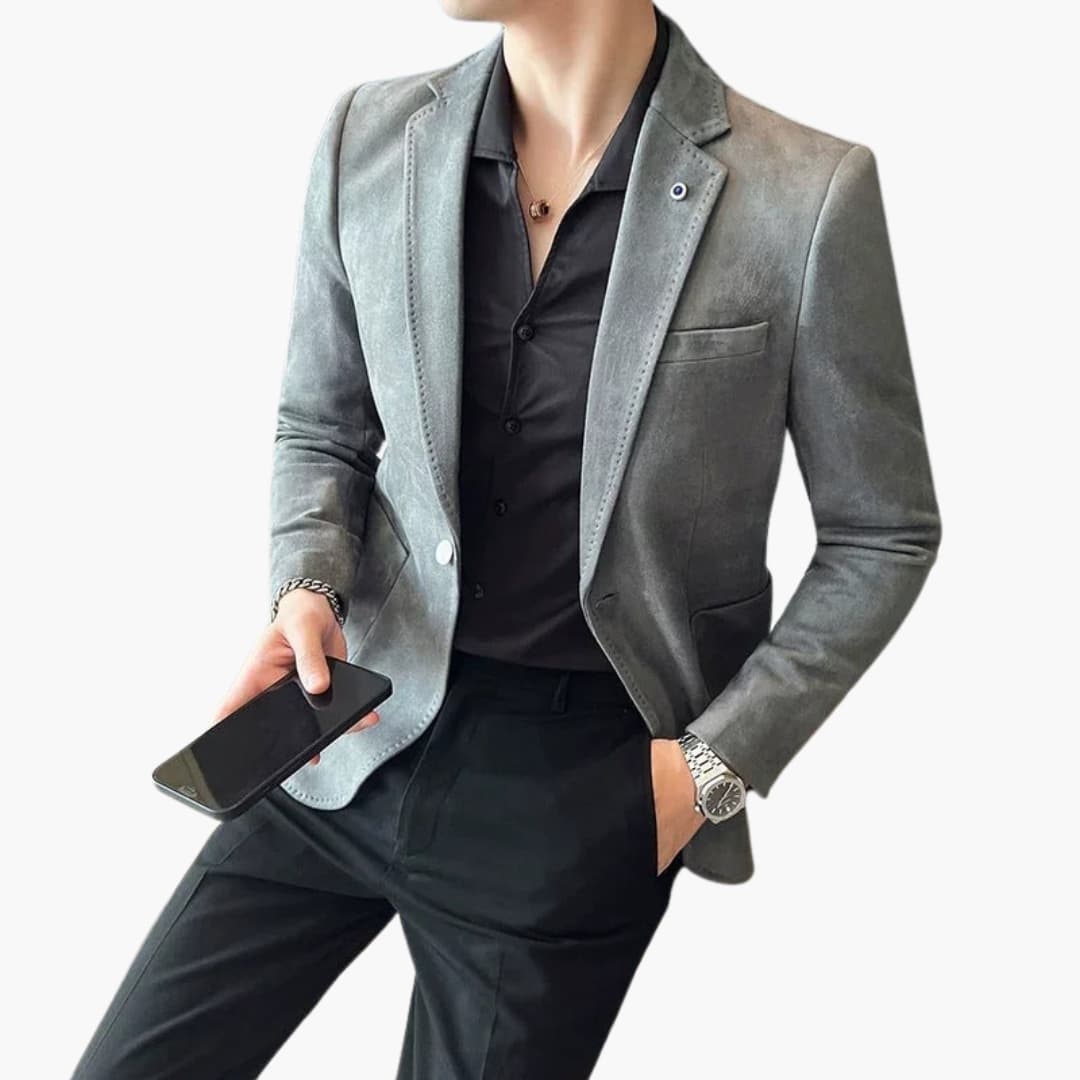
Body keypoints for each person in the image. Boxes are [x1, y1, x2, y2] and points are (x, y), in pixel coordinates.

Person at [71, 1, 942, 1076]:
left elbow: (882, 532)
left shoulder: (802, 192)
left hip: (575, 799)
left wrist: (708, 773)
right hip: (353, 732)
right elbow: (324, 424)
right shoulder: (367, 136)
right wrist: (308, 590)